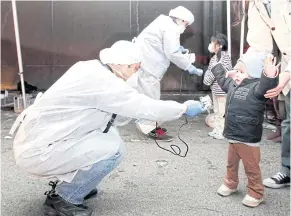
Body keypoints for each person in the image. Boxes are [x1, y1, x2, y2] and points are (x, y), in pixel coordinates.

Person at [9, 40, 211, 216]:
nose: (136, 73)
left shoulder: (90, 68)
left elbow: (115, 115)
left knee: (108, 135)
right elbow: (145, 107)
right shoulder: (106, 84)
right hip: (40, 149)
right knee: (114, 150)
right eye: (136, 68)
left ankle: (79, 184)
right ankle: (65, 198)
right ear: (123, 65)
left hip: (39, 138)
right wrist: (183, 108)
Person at [212, 53, 279, 207]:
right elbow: (223, 81)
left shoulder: (257, 88)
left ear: (254, 73)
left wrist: (269, 73)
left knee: (251, 167)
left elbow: (267, 85)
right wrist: (217, 67)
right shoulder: (233, 85)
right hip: (233, 134)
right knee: (231, 163)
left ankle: (256, 192)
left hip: (248, 137)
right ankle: (230, 183)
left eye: (242, 71)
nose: (236, 75)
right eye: (237, 70)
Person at [131, 6, 203, 141]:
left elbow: (162, 44)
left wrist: (177, 47)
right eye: (186, 24)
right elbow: (172, 52)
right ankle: (147, 127)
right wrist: (189, 66)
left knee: (148, 97)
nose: (185, 27)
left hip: (145, 64)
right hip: (148, 68)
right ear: (181, 20)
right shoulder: (170, 27)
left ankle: (149, 124)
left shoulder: (163, 21)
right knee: (151, 99)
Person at [243, 0, 291, 189]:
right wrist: (242, 68)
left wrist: (285, 77)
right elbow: (259, 45)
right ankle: (287, 170)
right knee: (289, 122)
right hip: (287, 64)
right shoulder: (257, 4)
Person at [203, 33, 232, 140]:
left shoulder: (224, 57)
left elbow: (216, 72)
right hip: (215, 89)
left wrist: (207, 80)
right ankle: (217, 129)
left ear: (219, 45)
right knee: (217, 111)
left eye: (212, 43)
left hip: (222, 90)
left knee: (222, 112)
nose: (210, 45)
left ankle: (222, 131)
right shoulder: (215, 57)